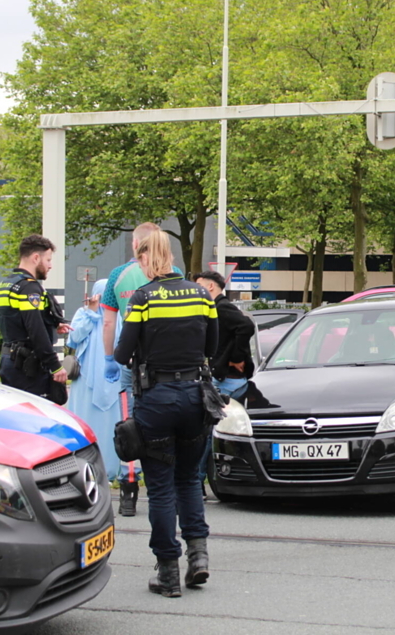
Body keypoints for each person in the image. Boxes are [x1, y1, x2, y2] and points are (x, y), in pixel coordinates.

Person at [113, 231, 219, 598]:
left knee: (159, 487)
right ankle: (199, 556)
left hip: (156, 399)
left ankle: (168, 573)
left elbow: (121, 354)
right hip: (195, 397)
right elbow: (212, 346)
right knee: (189, 479)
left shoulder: (143, 297)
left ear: (144, 258)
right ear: (171, 255)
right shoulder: (202, 294)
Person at [102, 222, 183, 515]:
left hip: (132, 361)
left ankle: (128, 489)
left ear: (136, 245)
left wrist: (109, 357)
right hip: (168, 362)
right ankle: (169, 484)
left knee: (131, 423)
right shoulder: (179, 276)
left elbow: (109, 322)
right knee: (168, 421)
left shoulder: (116, 276)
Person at [0, 234, 70, 399]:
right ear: (36, 258)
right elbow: (35, 330)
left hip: (9, 359)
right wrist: (55, 366)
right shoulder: (29, 288)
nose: (50, 266)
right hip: (27, 366)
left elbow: (16, 320)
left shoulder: (6, 284)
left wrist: (52, 324)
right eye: (48, 260)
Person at [66, 279, 123, 481]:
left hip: (114, 379)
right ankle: (84, 466)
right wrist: (90, 312)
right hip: (86, 381)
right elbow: (73, 338)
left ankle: (112, 468)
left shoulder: (121, 316)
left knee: (113, 423)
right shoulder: (84, 314)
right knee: (85, 420)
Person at [192, 271, 255, 400]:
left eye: (198, 286)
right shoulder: (215, 307)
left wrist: (236, 358)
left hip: (228, 380)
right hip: (224, 378)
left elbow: (246, 326)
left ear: (210, 286)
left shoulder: (222, 307)